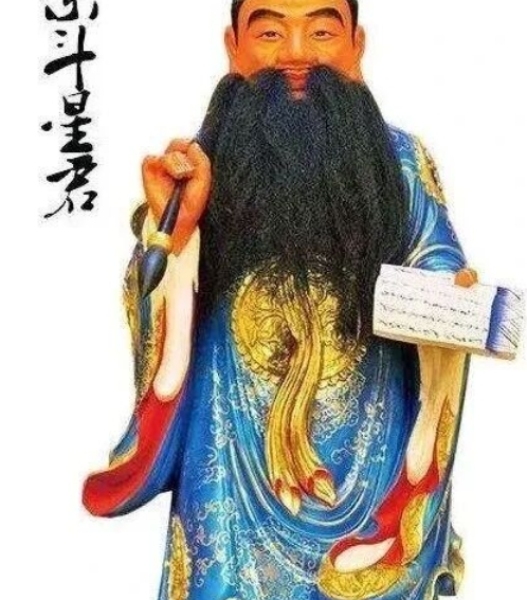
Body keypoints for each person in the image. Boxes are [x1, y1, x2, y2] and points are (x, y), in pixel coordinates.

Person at [83, 1, 479, 599]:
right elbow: (157, 295)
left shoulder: (398, 163)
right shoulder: (198, 168)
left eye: (321, 31)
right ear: (233, 47)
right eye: (270, 31)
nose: (296, 53)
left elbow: (439, 264)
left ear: (357, 46)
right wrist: (178, 232)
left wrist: (448, 300)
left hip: (366, 455)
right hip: (230, 463)